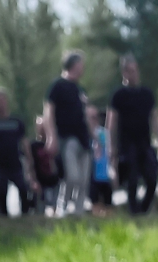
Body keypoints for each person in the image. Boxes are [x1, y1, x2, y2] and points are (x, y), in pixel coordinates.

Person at [109, 55, 158, 216]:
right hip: (126, 145)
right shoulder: (118, 96)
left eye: (136, 70)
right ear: (124, 73)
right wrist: (111, 147)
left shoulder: (146, 94)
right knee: (131, 179)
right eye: (131, 71)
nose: (134, 74)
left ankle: (143, 209)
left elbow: (154, 117)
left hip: (144, 143)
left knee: (152, 178)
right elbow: (111, 122)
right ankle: (134, 213)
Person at [42, 50, 94, 216]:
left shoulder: (80, 89)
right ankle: (62, 206)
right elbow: (48, 112)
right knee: (72, 176)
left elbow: (86, 115)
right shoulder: (57, 86)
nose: (83, 68)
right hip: (66, 138)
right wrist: (51, 136)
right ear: (74, 65)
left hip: (83, 139)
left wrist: (95, 138)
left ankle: (78, 213)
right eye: (81, 64)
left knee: (84, 179)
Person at [0, 87, 35, 216]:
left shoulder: (16, 121)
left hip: (15, 160)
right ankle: (3, 216)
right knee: (0, 189)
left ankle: (25, 214)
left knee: (23, 187)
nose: (0, 104)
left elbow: (24, 141)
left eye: (2, 100)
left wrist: (29, 158)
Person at [90, 109, 114, 213]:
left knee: (107, 204)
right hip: (93, 174)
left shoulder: (104, 133)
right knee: (96, 203)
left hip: (104, 173)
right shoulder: (86, 135)